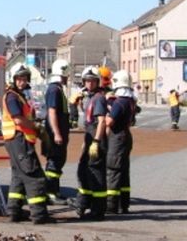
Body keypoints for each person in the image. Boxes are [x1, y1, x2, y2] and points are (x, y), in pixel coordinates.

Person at [2, 63, 56, 224]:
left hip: (15, 140)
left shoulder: (18, 96)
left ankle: (14, 211)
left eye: (24, 79)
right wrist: (36, 127)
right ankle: (39, 215)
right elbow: (18, 119)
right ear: (13, 80)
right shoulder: (12, 96)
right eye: (19, 79)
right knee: (35, 177)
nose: (22, 82)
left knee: (18, 177)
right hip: (19, 140)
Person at [68, 66, 108, 221]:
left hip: (96, 137)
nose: (90, 83)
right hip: (90, 136)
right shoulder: (90, 98)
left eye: (92, 81)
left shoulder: (98, 98)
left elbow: (102, 121)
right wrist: (87, 143)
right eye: (87, 81)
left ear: (97, 82)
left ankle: (98, 210)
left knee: (96, 174)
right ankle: (83, 204)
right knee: (84, 171)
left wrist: (96, 141)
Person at [105, 70, 136, 214]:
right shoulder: (130, 101)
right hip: (126, 135)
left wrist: (106, 111)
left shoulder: (119, 102)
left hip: (117, 136)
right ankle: (124, 204)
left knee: (113, 169)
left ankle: (111, 205)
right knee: (123, 171)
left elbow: (110, 121)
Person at [43, 59, 71, 206]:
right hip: (55, 135)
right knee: (54, 164)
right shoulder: (54, 90)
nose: (67, 78)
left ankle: (54, 191)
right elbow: (52, 112)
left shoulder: (57, 89)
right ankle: (51, 193)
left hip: (58, 134)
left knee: (57, 163)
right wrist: (57, 133)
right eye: (66, 76)